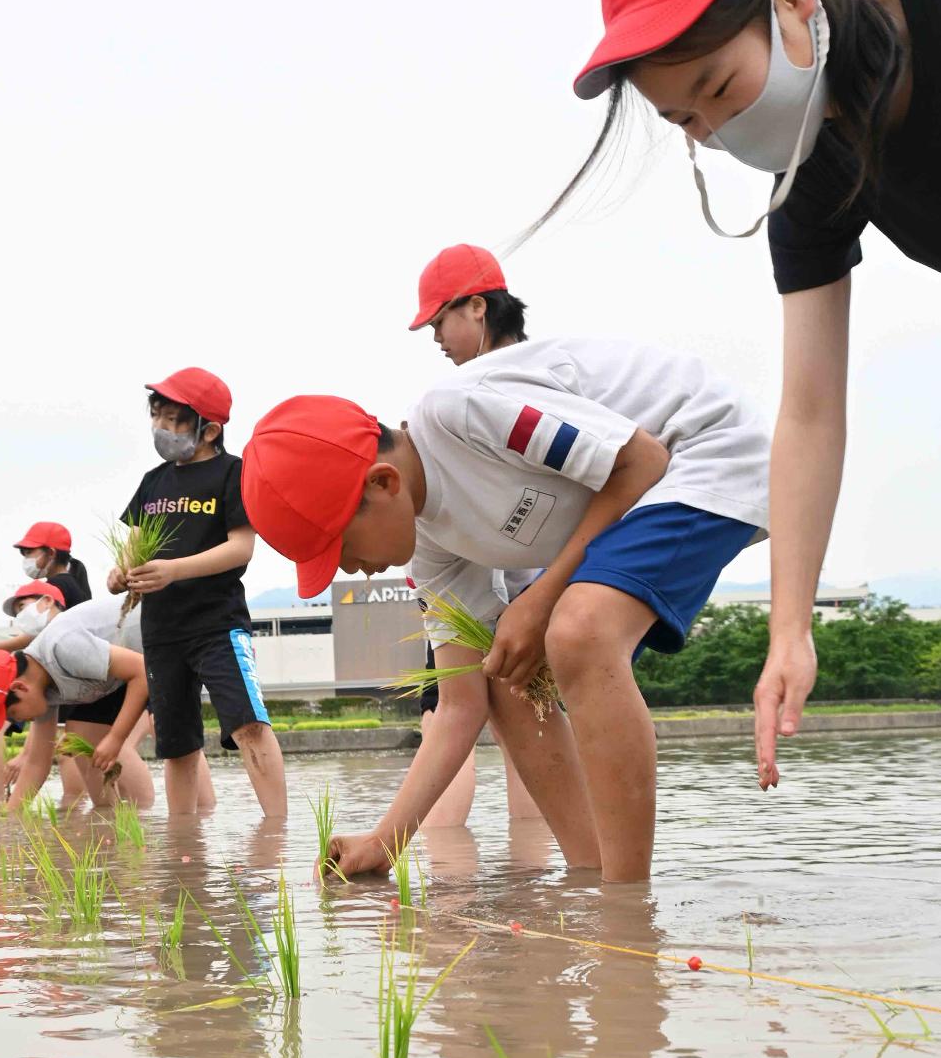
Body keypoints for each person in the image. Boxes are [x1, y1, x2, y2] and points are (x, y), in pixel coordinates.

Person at [551, 0, 941, 899]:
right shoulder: (817, 168)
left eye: (714, 89)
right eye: (684, 122)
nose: (710, 131)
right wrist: (787, 622)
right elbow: (809, 407)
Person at [241, 334, 770, 881]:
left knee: (578, 630)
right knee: (502, 671)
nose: (349, 569)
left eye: (342, 549)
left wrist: (540, 602)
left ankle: (626, 902)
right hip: (641, 493)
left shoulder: (462, 414)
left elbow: (640, 460)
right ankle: (589, 871)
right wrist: (386, 840)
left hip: (704, 451)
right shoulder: (428, 546)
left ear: (383, 482)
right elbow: (458, 706)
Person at [111, 368, 286, 819]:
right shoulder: (153, 482)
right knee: (177, 746)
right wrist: (120, 575)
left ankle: (278, 835)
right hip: (162, 631)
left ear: (209, 429)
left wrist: (174, 571)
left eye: (175, 420)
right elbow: (133, 551)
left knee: (248, 724)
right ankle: (184, 847)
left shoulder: (232, 473)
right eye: (158, 417)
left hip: (217, 625)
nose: (162, 429)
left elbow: (241, 547)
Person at [408, 244, 542, 830]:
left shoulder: (496, 390)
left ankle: (445, 869)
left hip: (519, 593)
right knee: (529, 717)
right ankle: (542, 877)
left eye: (439, 321)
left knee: (459, 716)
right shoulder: (521, 379)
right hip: (476, 589)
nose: (435, 337)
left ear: (479, 309)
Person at [0, 597, 154, 809]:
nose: (20, 720)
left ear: (19, 688)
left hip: (164, 637)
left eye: (14, 713)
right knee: (81, 733)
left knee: (164, 729)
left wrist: (116, 738)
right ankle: (110, 817)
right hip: (127, 668)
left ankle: (152, 817)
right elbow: (36, 763)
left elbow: (141, 672)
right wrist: (10, 819)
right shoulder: (39, 687)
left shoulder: (62, 647)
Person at [12, 522, 92, 610]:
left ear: (51, 553)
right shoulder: (71, 583)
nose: (26, 559)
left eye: (28, 553)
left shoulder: (54, 587)